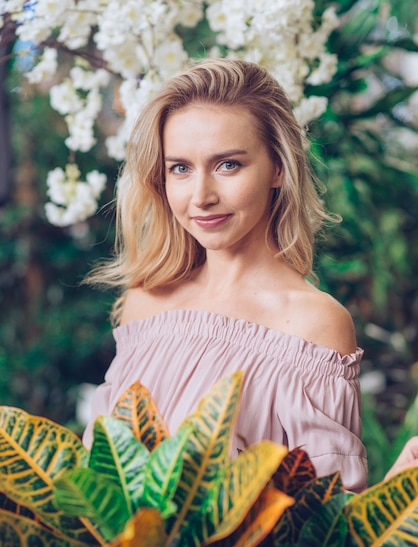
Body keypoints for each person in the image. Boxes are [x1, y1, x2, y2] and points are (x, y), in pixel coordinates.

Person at [83, 58, 417, 492]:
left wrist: (400, 492)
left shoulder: (312, 325)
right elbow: (97, 477)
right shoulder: (144, 303)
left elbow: (323, 526)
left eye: (228, 165)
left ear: (278, 168)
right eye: (180, 168)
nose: (201, 196)